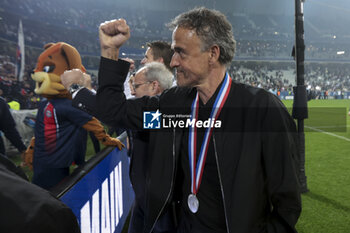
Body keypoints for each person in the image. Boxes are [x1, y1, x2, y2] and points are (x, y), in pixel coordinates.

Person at [63, 7, 301, 233]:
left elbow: (287, 203)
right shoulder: (175, 107)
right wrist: (109, 51)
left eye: (181, 52)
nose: (173, 61)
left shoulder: (261, 110)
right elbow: (116, 112)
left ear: (213, 54)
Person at [62, 62, 175, 233]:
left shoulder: (161, 116)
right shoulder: (160, 113)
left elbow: (118, 113)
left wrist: (75, 88)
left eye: (136, 86)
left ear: (154, 86)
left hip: (158, 208)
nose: (133, 91)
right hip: (146, 198)